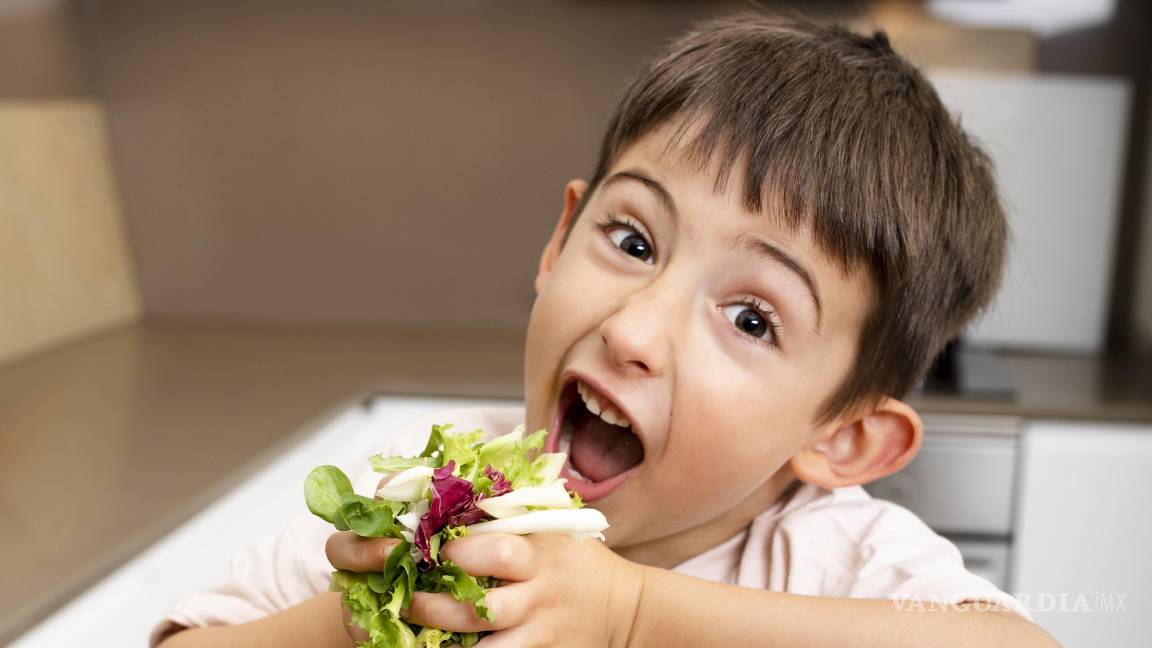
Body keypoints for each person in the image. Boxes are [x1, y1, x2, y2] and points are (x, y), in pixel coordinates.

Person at [155, 12, 1059, 647]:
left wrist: (631, 617)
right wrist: (356, 617)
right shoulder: (408, 487)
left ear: (845, 436)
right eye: (633, 241)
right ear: (560, 240)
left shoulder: (835, 558)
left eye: (751, 318)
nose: (636, 329)